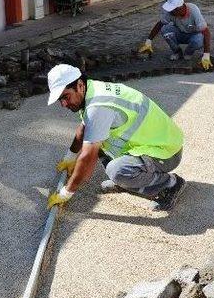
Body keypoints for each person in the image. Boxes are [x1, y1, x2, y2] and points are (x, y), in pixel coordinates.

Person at [46, 64, 186, 211]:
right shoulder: (92, 89)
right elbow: (85, 128)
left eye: (65, 97)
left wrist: (65, 193)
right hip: (152, 144)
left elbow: (87, 157)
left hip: (166, 152)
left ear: (79, 85)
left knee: (117, 171)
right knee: (95, 138)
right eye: (60, 100)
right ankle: (129, 180)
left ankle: (171, 184)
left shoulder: (98, 106)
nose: (63, 104)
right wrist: (70, 157)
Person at [139, 0, 212, 70]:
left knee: (198, 41)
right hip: (180, 33)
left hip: (194, 35)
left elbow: (206, 31)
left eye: (172, 10)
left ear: (180, 8)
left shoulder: (193, 10)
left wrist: (206, 54)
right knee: (165, 29)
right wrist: (148, 41)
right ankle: (177, 52)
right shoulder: (171, 12)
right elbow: (160, 24)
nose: (170, 12)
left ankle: (188, 52)